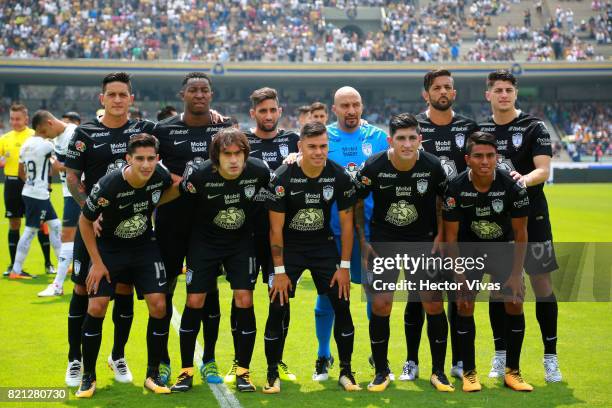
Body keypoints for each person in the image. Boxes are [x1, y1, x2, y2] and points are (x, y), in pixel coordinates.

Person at [64, 72, 156, 387]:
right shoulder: (84, 133)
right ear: (102, 98)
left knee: (124, 290)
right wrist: (89, 208)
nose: (117, 100)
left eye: (123, 94)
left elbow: (181, 128)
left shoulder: (144, 130)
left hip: (131, 230)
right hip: (94, 226)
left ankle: (117, 355)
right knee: (82, 290)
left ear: (131, 98)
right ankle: (75, 358)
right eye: (112, 94)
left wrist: (217, 117)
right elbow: (72, 177)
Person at [167, 128, 270, 393]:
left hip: (240, 243)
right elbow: (183, 211)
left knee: (245, 299)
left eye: (239, 154)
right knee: (194, 301)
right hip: (204, 243)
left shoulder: (259, 172)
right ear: (216, 156)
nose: (234, 160)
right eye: (227, 154)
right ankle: (186, 371)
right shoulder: (199, 176)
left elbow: (273, 200)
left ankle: (243, 372)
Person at [355, 113, 453, 392]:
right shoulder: (373, 165)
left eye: (412, 138)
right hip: (384, 241)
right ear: (390, 140)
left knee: (433, 304)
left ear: (420, 139)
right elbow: (357, 204)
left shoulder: (433, 166)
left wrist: (440, 237)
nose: (407, 144)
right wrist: (364, 241)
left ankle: (438, 372)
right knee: (381, 305)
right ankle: (382, 371)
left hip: (423, 242)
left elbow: (442, 203)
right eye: (401, 138)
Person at [75, 134, 175, 398]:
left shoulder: (160, 175)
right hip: (109, 249)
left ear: (157, 158)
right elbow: (85, 222)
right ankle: (88, 376)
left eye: (151, 158)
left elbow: (172, 187)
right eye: (139, 159)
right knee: (96, 306)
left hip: (144, 247)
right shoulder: (108, 185)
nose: (146, 164)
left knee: (159, 304)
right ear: (128, 159)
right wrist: (96, 263)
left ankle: (152, 374)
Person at [264, 121, 361, 393]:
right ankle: (272, 373)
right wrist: (280, 272)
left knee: (341, 303)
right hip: (290, 249)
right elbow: (275, 229)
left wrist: (343, 267)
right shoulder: (283, 177)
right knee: (277, 306)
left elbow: (346, 225)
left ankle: (345, 371)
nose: (318, 152)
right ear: (300, 147)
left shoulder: (339, 176)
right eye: (312, 147)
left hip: (322, 246)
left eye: (323, 146)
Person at [479, 70, 562, 383]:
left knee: (542, 285)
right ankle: (500, 356)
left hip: (533, 218)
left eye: (508, 90)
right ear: (488, 94)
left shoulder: (533, 127)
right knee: (499, 288)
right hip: (496, 222)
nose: (503, 94)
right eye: (497, 90)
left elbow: (543, 170)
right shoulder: (481, 129)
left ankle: (550, 358)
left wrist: (521, 181)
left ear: (515, 93)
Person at [151, 72, 231, 385]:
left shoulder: (223, 127)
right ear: (183, 93)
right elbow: (155, 169)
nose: (199, 95)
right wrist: (184, 183)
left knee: (207, 292)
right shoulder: (163, 130)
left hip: (209, 225)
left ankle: (209, 359)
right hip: (171, 222)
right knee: (164, 291)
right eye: (193, 90)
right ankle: (162, 361)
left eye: (204, 90)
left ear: (211, 95)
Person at [403, 69, 478, 381]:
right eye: (437, 88)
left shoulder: (469, 127)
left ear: (454, 93)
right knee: (418, 296)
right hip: (422, 227)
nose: (443, 92)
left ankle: (459, 362)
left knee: (460, 296)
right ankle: (411, 361)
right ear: (426, 94)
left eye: (448, 87)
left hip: (461, 226)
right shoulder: (414, 128)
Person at [443, 131, 533, 392]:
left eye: (490, 156)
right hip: (468, 252)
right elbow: (450, 237)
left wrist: (517, 274)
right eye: (479, 156)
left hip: (502, 250)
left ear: (497, 157)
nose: (485, 161)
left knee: (514, 302)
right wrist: (459, 276)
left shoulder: (512, 187)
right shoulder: (456, 188)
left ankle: (512, 372)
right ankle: (469, 373)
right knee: (465, 305)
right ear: (467, 159)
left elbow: (521, 234)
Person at [314, 86, 388, 381]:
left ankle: (377, 356)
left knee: (374, 295)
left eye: (355, 104)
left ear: (362, 105)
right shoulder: (324, 138)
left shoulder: (378, 137)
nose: (351, 110)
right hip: (331, 233)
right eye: (344, 105)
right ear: (334, 109)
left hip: (371, 232)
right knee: (328, 296)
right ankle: (323, 355)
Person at [236, 87, 300, 383]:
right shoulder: (242, 142)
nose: (269, 116)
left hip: (282, 238)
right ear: (253, 114)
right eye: (263, 111)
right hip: (246, 236)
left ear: (280, 111)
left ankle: (278, 360)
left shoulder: (293, 141)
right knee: (242, 298)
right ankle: (240, 364)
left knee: (280, 298)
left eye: (273, 110)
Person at [8, 110, 63, 280]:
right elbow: (55, 167)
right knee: (31, 230)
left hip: (32, 191)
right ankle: (16, 270)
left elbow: (20, 171)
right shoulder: (47, 145)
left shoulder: (26, 144)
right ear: (42, 125)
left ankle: (64, 264)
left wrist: (31, 183)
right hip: (38, 195)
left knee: (55, 225)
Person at [1, 104, 53, 277]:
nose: (14, 122)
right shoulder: (4, 138)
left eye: (18, 118)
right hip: (12, 184)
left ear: (26, 119)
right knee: (14, 222)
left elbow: (48, 163)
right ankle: (13, 266)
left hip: (33, 185)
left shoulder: (35, 136)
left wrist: (47, 183)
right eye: (12, 118)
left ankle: (48, 264)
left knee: (42, 222)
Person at [31, 111, 79, 296]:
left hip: (78, 193)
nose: (44, 136)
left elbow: (84, 163)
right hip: (69, 193)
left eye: (44, 131)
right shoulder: (58, 139)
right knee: (75, 237)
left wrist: (61, 166)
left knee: (67, 236)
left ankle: (58, 285)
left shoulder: (73, 133)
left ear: (50, 123)